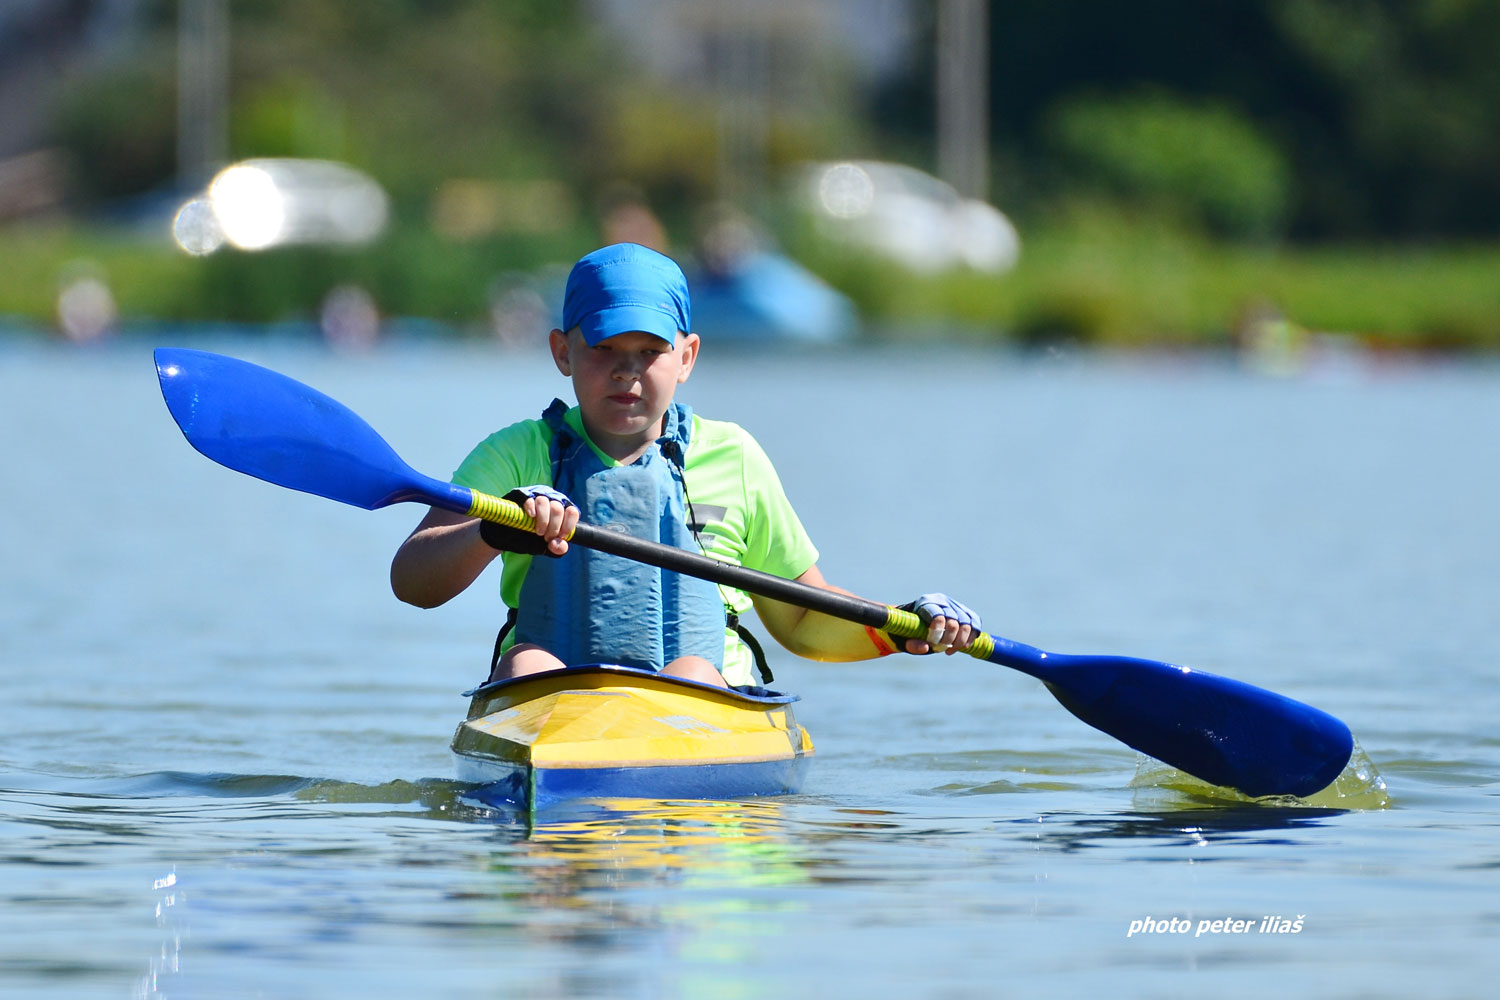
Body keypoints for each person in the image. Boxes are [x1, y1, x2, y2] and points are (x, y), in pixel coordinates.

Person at [390, 242, 979, 688]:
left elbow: (803, 620)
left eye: (650, 352)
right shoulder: (516, 453)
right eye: (604, 350)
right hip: (552, 701)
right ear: (562, 353)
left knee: (693, 671)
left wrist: (903, 627)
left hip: (703, 701)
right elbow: (413, 582)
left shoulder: (734, 457)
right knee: (528, 663)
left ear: (687, 356)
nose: (627, 372)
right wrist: (494, 528)